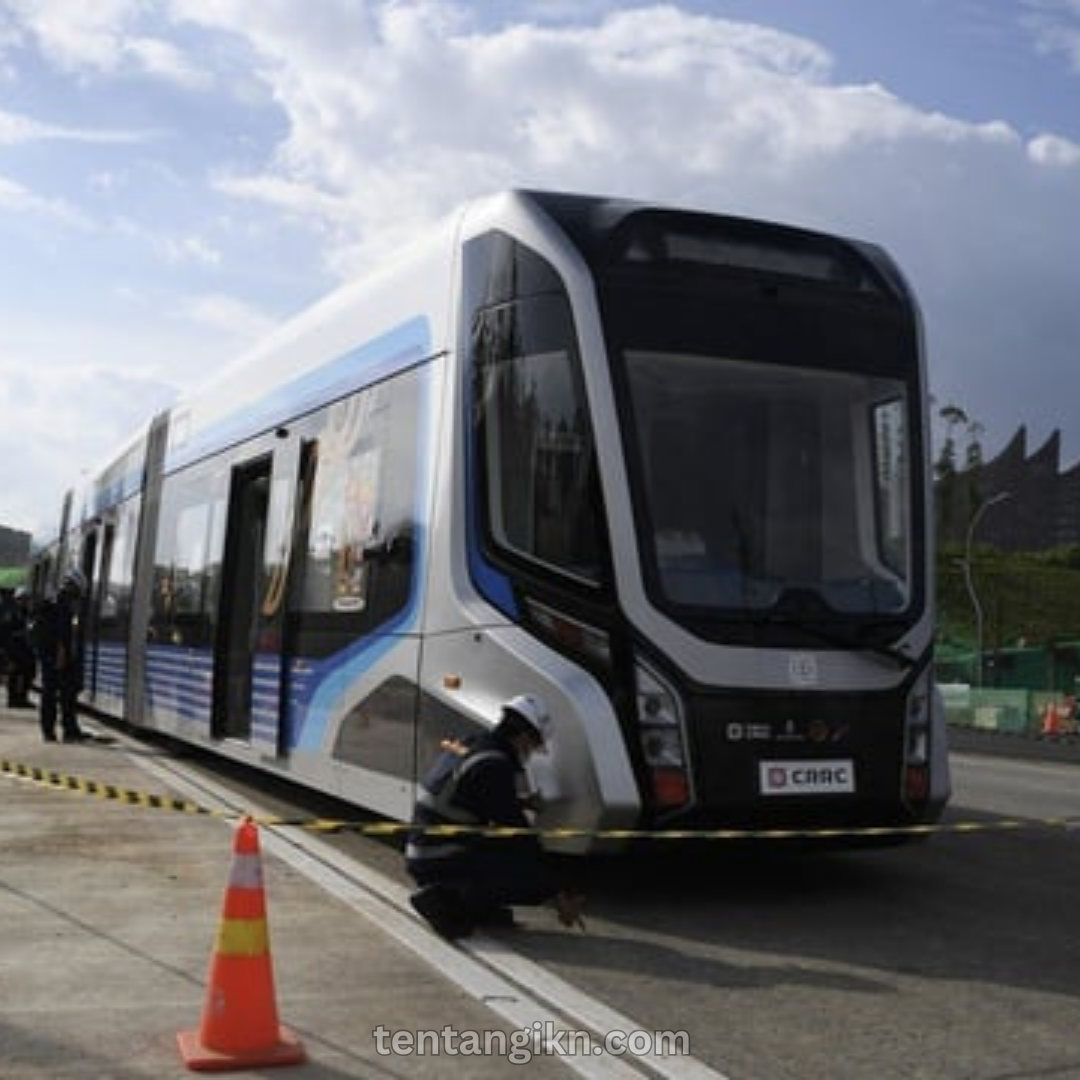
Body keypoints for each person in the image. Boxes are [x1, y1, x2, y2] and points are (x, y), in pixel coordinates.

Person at [406, 694, 584, 939]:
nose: (531, 752)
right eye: (533, 744)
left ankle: (476, 905)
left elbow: (464, 795)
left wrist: (520, 802)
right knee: (525, 872)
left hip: (424, 848)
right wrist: (557, 891)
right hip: (439, 859)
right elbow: (520, 837)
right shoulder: (494, 765)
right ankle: (448, 899)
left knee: (502, 853)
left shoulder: (473, 741)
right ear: (523, 737)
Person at [32, 569, 89, 743]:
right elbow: (61, 632)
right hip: (57, 656)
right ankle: (58, 731)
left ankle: (63, 730)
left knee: (63, 694)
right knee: (57, 694)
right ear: (73, 586)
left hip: (55, 656)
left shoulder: (57, 602)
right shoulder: (61, 604)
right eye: (78, 590)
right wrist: (61, 653)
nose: (79, 595)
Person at [4, 588, 37, 708]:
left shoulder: (28, 613)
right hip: (14, 648)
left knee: (29, 673)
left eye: (26, 599)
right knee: (14, 673)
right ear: (17, 600)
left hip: (26, 648)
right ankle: (12, 699)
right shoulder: (11, 613)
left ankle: (23, 697)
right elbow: (5, 632)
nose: (24, 601)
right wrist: (7, 651)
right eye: (22, 599)